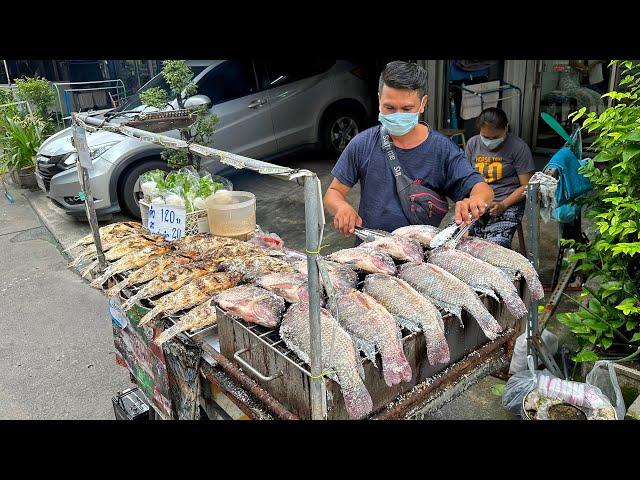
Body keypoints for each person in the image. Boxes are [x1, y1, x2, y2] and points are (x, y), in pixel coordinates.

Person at [324, 61, 493, 238]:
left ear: (422, 104)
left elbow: (483, 189)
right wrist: (341, 207)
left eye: (407, 109)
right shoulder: (362, 144)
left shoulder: (442, 150)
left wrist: (474, 201)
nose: (398, 115)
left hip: (420, 256)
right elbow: (333, 192)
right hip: (371, 251)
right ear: (379, 99)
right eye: (389, 107)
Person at [464, 107, 535, 248]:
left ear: (506, 129)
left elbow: (527, 185)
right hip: (478, 203)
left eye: (495, 138)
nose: (489, 142)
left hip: (507, 203)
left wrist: (503, 205)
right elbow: (466, 177)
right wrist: (472, 201)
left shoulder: (518, 148)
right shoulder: (473, 143)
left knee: (493, 248)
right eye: (485, 137)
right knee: (454, 240)